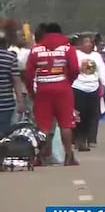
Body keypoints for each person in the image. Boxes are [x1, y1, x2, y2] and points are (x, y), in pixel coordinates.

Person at [25, 23, 80, 166]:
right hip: (63, 88)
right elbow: (75, 69)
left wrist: (31, 91)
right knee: (66, 123)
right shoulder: (68, 48)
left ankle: (44, 156)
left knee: (43, 125)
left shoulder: (36, 50)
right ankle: (68, 156)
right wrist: (68, 82)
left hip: (43, 89)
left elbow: (29, 74)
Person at [72, 34, 105, 151]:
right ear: (80, 44)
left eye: (90, 42)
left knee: (93, 115)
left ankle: (91, 139)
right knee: (80, 116)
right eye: (86, 42)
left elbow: (103, 72)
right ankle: (80, 139)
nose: (89, 44)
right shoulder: (76, 55)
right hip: (78, 88)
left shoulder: (96, 56)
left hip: (93, 88)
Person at [0, 29, 24, 134]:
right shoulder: (10, 57)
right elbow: (16, 81)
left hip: (6, 103)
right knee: (4, 133)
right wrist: (20, 102)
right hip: (6, 103)